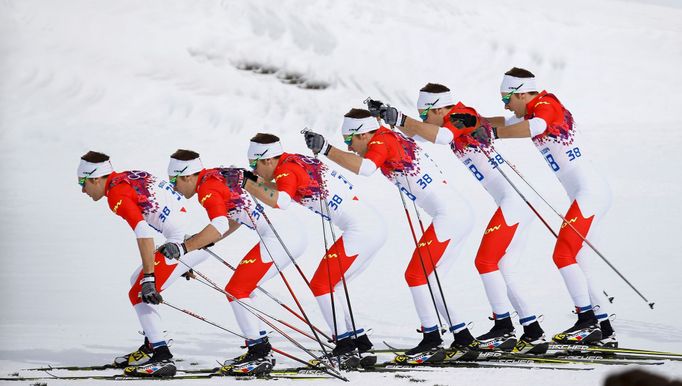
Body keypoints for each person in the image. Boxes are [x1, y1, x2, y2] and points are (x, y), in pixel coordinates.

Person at [358, 84, 549, 354]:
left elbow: (442, 137)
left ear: (437, 108)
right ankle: (532, 331)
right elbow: (423, 135)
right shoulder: (444, 122)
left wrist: (401, 119)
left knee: (486, 262)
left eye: (426, 114)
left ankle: (504, 328)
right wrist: (393, 118)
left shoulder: (463, 116)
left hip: (515, 199)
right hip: (514, 200)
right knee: (500, 265)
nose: (423, 120)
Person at [303, 110, 477, 363]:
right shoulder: (387, 136)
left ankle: (432, 340)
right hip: (456, 214)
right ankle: (463, 339)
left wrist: (327, 149)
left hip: (449, 216)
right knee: (428, 279)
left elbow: (365, 168)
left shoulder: (381, 140)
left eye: (350, 141)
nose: (351, 148)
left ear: (363, 134)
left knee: (416, 276)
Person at [484, 67, 615, 347]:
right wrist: (476, 123)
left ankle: (587, 322)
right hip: (588, 192)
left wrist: (493, 133)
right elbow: (507, 121)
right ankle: (603, 327)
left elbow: (535, 128)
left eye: (507, 97)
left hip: (589, 193)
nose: (505, 103)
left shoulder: (545, 104)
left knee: (563, 254)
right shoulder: (533, 109)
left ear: (521, 93)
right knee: (577, 259)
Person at [243, 133, 386, 368]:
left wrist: (248, 183)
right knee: (333, 285)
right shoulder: (293, 161)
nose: (254, 170)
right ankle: (358, 340)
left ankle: (345, 347)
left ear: (268, 160)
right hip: (370, 226)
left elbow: (282, 201)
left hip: (360, 231)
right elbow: (276, 187)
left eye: (254, 165)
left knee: (321, 284)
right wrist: (252, 182)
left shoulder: (286, 170)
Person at [158, 149, 306, 375]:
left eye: (174, 180)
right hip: (288, 233)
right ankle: (260, 347)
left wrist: (183, 248)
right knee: (242, 288)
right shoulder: (216, 176)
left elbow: (219, 225)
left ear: (187, 176)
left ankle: (259, 353)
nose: (173, 187)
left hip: (280, 236)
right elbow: (232, 219)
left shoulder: (207, 188)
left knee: (237, 289)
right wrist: (198, 242)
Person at [77, 151, 210, 378]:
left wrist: (151, 276)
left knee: (139, 291)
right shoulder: (125, 178)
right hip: (189, 239)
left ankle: (161, 356)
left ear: (95, 179)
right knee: (136, 282)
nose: (82, 190)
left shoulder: (116, 195)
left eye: (83, 182)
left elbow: (143, 230)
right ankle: (152, 346)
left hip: (186, 243)